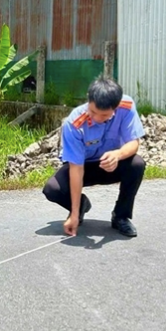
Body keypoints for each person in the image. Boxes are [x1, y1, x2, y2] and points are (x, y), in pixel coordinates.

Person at [42, 76, 146, 238]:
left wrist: (117, 155)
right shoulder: (74, 123)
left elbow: (134, 143)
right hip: (84, 167)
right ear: (88, 100)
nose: (96, 118)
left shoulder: (126, 107)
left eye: (104, 116)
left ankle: (121, 216)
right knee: (52, 189)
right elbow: (76, 168)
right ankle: (80, 205)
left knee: (137, 164)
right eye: (92, 112)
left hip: (112, 163)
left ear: (116, 107)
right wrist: (74, 214)